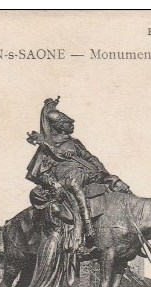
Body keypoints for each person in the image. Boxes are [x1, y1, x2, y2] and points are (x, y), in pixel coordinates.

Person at [26, 97, 130, 247]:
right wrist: (54, 183)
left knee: (116, 182)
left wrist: (102, 171)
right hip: (65, 180)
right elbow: (41, 171)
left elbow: (89, 157)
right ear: (59, 126)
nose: (71, 126)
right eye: (68, 124)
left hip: (87, 172)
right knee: (76, 187)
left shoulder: (74, 143)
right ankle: (87, 227)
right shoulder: (47, 146)